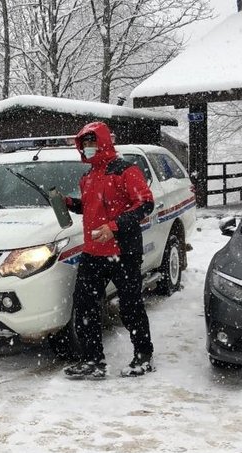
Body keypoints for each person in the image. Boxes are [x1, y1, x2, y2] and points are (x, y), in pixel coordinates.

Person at [63, 122, 156, 380]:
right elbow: (91, 207)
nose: (88, 148)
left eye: (92, 143)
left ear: (103, 142)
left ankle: (143, 356)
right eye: (84, 144)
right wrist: (69, 203)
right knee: (85, 307)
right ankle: (93, 360)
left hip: (123, 252)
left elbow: (145, 204)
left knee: (130, 307)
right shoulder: (88, 176)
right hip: (93, 252)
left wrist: (114, 227)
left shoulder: (126, 170)